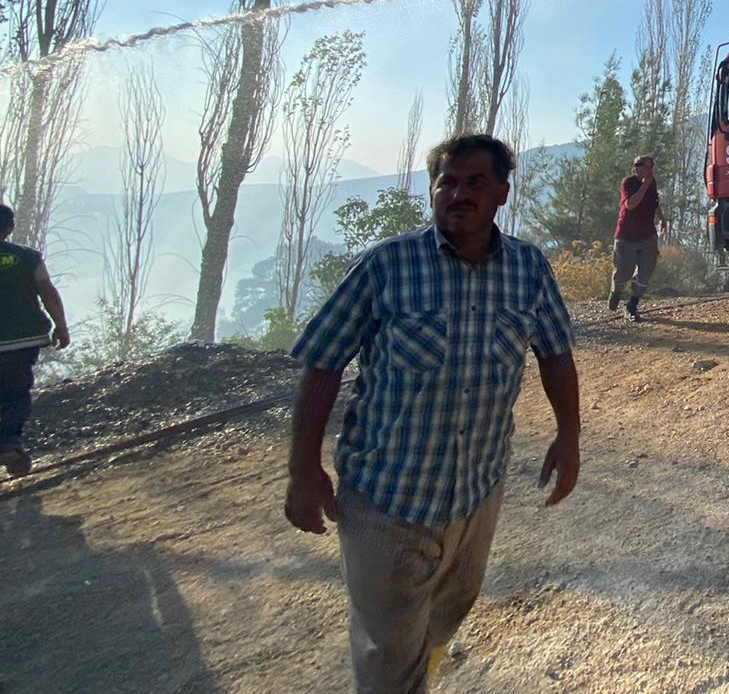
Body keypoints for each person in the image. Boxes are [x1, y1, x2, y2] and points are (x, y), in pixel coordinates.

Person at [284, 134, 580, 694]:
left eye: (475, 182)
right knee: (389, 655)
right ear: (432, 191)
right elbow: (321, 365)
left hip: (476, 494)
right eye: (447, 182)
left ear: (501, 194)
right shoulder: (387, 266)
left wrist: (570, 436)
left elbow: (556, 353)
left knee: (446, 619)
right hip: (387, 501)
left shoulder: (528, 269)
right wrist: (303, 469)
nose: (458, 194)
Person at [0, 202, 71, 476]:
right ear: (10, 228)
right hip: (19, 338)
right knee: (14, 395)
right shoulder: (27, 257)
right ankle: (9, 442)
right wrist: (61, 326)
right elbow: (47, 291)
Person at [611, 154, 666, 322]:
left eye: (652, 167)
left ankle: (632, 305)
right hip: (626, 235)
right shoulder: (628, 183)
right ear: (637, 168)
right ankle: (616, 291)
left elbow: (654, 203)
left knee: (646, 271)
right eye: (647, 167)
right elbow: (631, 204)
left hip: (647, 235)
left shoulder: (652, 183)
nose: (650, 171)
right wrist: (644, 186)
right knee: (624, 270)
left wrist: (662, 219)